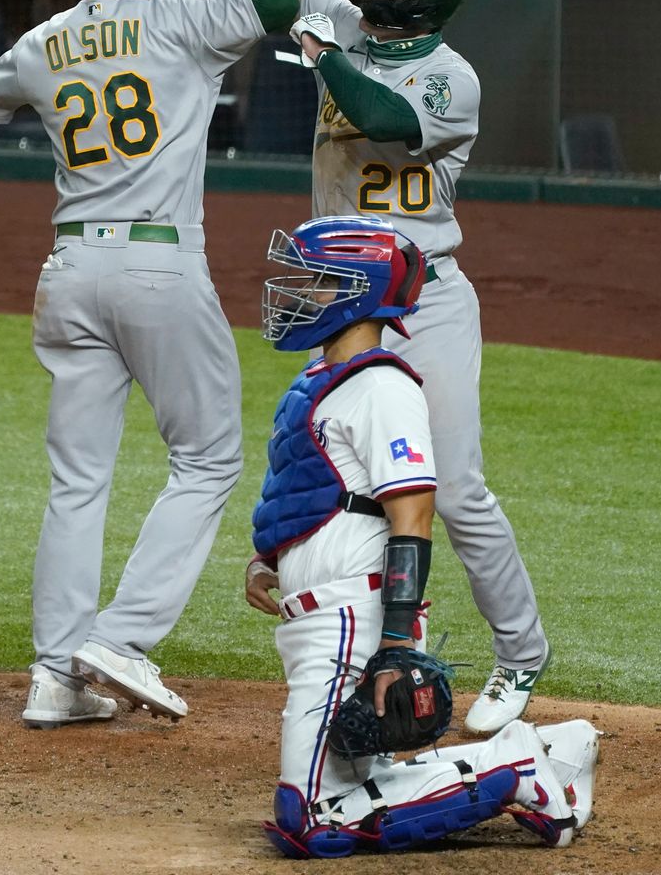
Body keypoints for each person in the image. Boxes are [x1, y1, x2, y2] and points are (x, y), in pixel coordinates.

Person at [0, 0, 297, 729]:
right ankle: (125, 636)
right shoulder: (186, 22)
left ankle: (54, 674)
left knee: (78, 480)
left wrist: (54, 75)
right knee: (209, 457)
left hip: (69, 269)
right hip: (157, 267)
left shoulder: (45, 39)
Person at [268, 0, 555, 736]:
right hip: (343, 299)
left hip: (424, 300)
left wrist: (323, 57)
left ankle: (522, 653)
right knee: (346, 480)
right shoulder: (348, 24)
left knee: (456, 489)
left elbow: (385, 119)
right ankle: (372, 655)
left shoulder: (449, 79)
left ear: (420, 0)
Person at [246, 215, 599, 858]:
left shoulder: (383, 385)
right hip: (317, 618)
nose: (298, 293)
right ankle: (549, 751)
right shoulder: (322, 381)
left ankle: (518, 770)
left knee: (314, 821)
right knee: (360, 783)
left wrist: (397, 642)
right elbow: (318, 490)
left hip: (355, 617)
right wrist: (270, 558)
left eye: (318, 281)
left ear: (358, 291)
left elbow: (413, 512)